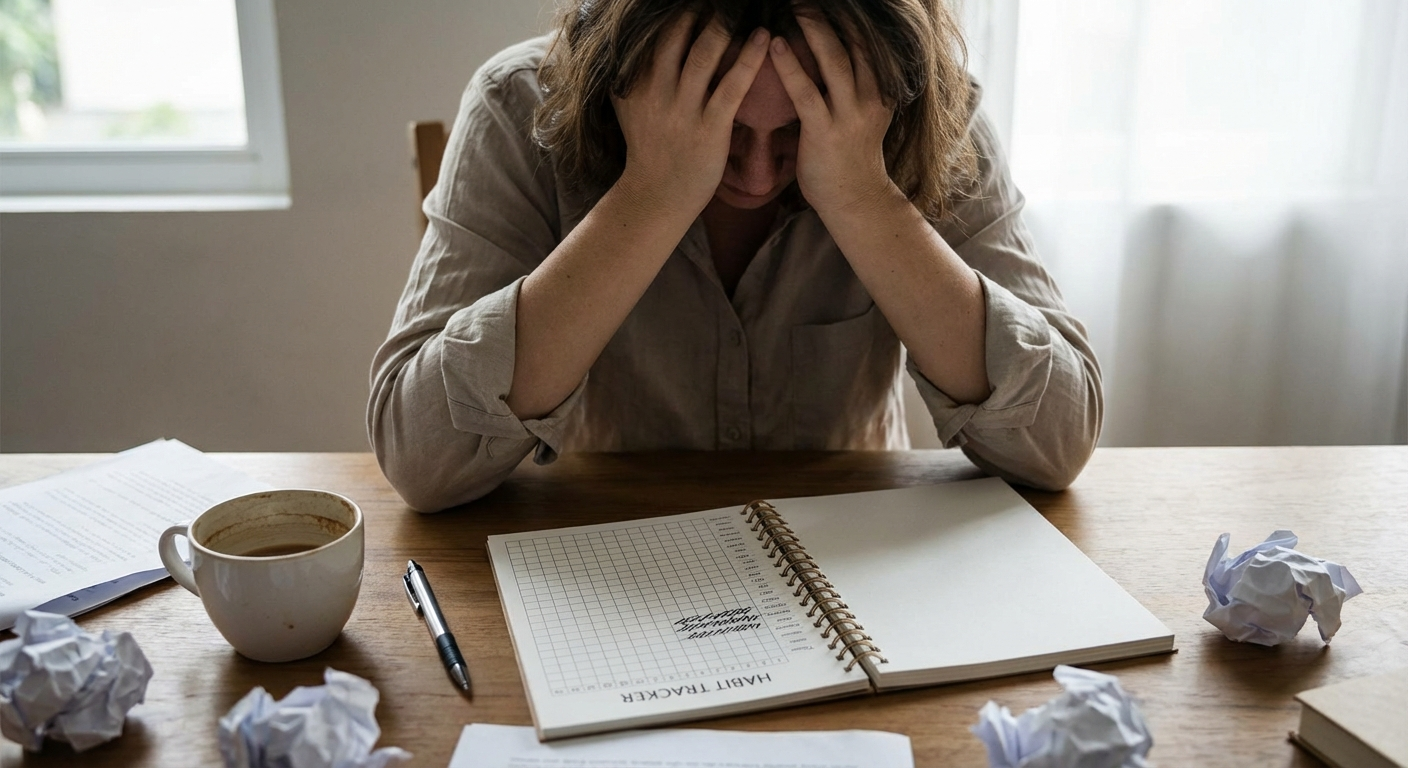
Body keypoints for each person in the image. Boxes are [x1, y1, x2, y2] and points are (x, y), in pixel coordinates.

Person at [368, 0, 1102, 513]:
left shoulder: (924, 113)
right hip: (605, 559)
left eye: (793, 137)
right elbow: (421, 460)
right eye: (721, 134)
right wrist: (652, 193)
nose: (754, 177)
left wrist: (862, 195)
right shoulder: (517, 106)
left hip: (854, 563)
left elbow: (1057, 442)